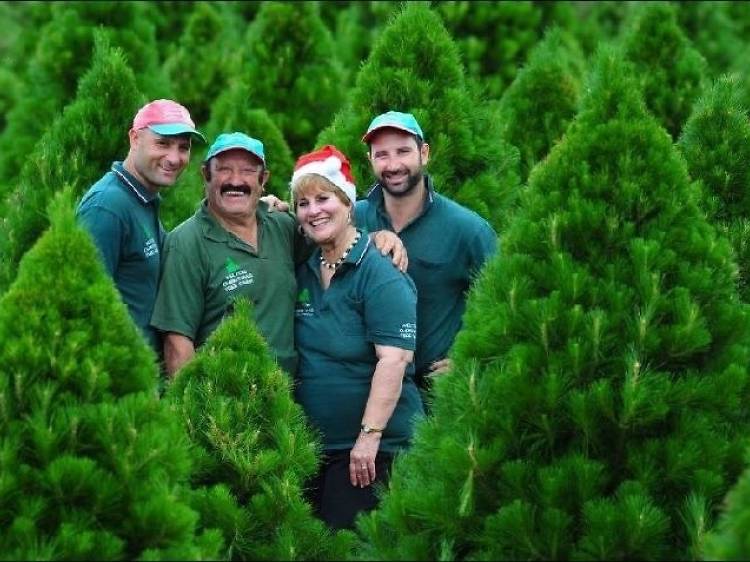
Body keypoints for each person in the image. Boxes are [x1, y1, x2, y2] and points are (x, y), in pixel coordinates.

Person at [150, 133, 406, 378]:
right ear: (206, 175)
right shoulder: (186, 243)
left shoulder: (282, 226)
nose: (235, 180)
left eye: (248, 171)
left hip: (287, 401)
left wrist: (376, 237)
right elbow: (177, 343)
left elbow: (332, 238)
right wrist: (194, 413)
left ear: (263, 180)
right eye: (224, 169)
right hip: (227, 403)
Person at [291, 145, 424, 530]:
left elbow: (394, 359)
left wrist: (369, 436)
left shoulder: (379, 271)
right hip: (317, 451)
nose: (313, 210)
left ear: (348, 203)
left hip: (374, 452)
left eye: (323, 198)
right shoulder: (305, 270)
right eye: (303, 203)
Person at [358, 111, 497, 392]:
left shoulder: (467, 229)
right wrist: (269, 209)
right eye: (382, 154)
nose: (393, 164)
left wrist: (469, 358)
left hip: (432, 395)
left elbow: (503, 300)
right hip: (362, 388)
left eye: (403, 152)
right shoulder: (351, 219)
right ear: (370, 159)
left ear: (424, 153)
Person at [76, 99, 205, 353]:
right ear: (134, 138)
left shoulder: (141, 199)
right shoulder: (107, 207)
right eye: (163, 144)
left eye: (183, 147)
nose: (174, 158)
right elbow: (85, 305)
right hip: (123, 378)